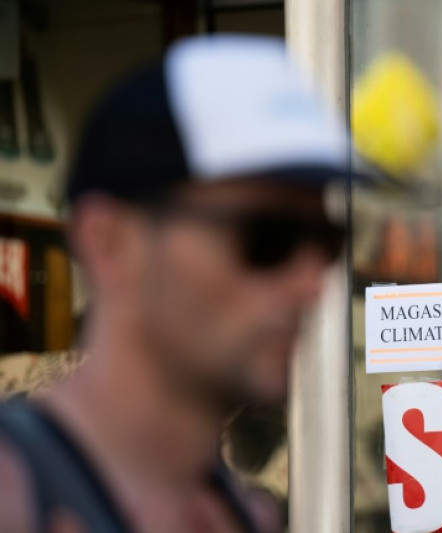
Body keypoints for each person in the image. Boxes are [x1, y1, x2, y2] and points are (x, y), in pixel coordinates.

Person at [0, 35, 354, 532]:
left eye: (328, 241)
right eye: (266, 238)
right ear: (111, 243)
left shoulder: (238, 513)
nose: (312, 282)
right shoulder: (15, 494)